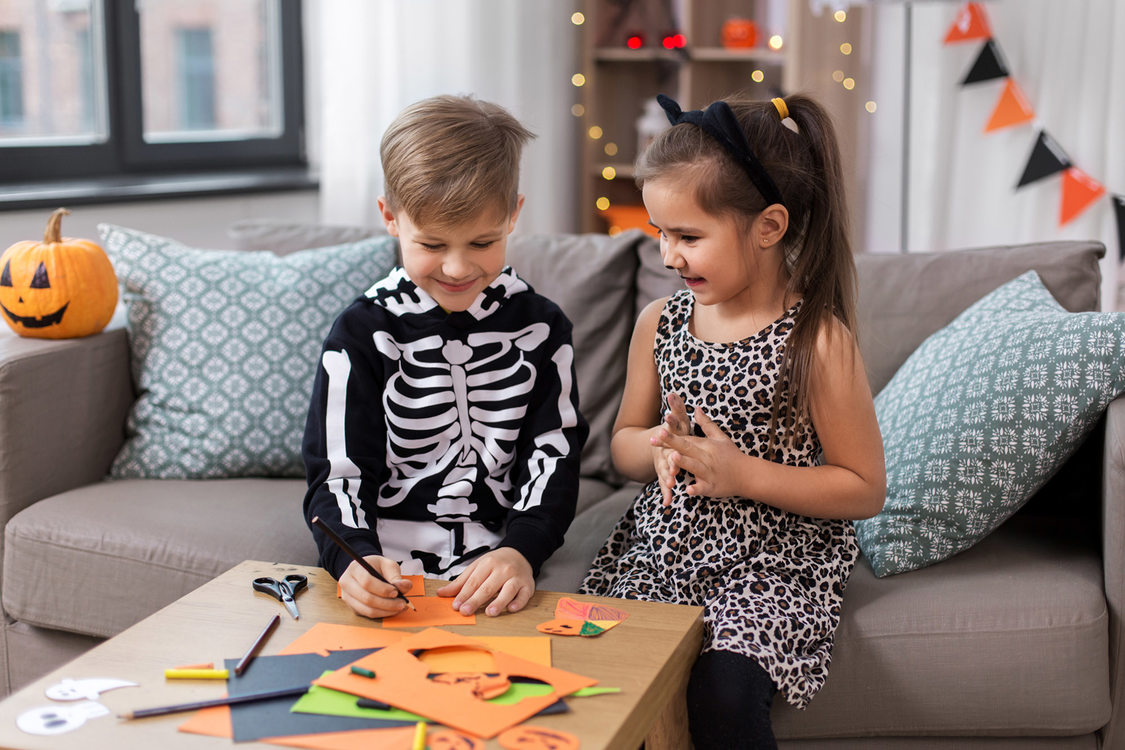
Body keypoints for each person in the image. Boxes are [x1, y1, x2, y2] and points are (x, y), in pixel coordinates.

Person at [579, 92, 886, 749]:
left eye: (687, 236)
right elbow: (621, 446)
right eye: (659, 233)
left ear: (768, 226)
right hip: (661, 555)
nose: (667, 256)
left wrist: (739, 473)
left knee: (721, 698)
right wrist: (657, 450)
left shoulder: (815, 340)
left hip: (773, 566)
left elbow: (862, 487)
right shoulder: (657, 325)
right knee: (605, 686)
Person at [303, 94, 588, 621]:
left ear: (514, 215)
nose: (457, 268)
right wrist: (351, 559)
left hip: (500, 570)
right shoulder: (361, 333)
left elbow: (555, 456)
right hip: (381, 563)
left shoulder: (543, 328)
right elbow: (337, 473)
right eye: (432, 244)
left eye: (482, 242)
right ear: (390, 218)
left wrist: (523, 550)